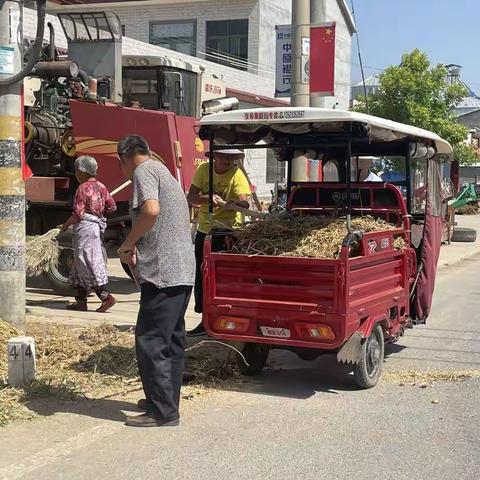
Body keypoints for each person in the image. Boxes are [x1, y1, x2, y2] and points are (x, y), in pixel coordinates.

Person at [117, 135, 195, 428]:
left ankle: (162, 412)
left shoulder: (143, 171)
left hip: (163, 273)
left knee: (150, 340)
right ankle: (165, 400)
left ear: (122, 159)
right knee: (171, 340)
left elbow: (150, 211)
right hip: (182, 271)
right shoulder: (164, 172)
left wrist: (129, 243)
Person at [186, 149, 251, 336]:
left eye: (230, 157)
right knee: (202, 275)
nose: (226, 160)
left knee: (227, 278)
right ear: (214, 157)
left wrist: (233, 203)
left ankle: (231, 318)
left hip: (229, 231)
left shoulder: (237, 174)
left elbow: (245, 203)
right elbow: (191, 197)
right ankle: (205, 319)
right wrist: (208, 199)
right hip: (206, 230)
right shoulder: (203, 170)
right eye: (222, 156)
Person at [60, 155, 117, 313]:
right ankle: (81, 301)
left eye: (77, 171)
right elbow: (112, 207)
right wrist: (99, 212)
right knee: (80, 263)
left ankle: (106, 297)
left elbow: (78, 213)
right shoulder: (102, 186)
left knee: (87, 263)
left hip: (85, 228)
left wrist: (64, 226)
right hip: (95, 228)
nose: (76, 174)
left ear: (82, 171)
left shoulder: (83, 188)